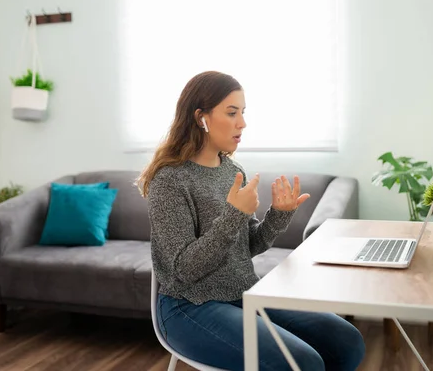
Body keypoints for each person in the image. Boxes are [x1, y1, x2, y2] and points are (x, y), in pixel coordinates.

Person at [137, 71, 365, 371]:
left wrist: (278, 216)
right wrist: (233, 214)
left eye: (242, 112)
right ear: (200, 118)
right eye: (231, 113)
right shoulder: (170, 180)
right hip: (188, 306)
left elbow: (248, 246)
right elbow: (184, 269)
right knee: (303, 363)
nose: (242, 123)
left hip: (243, 293)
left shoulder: (232, 170)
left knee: (346, 341)